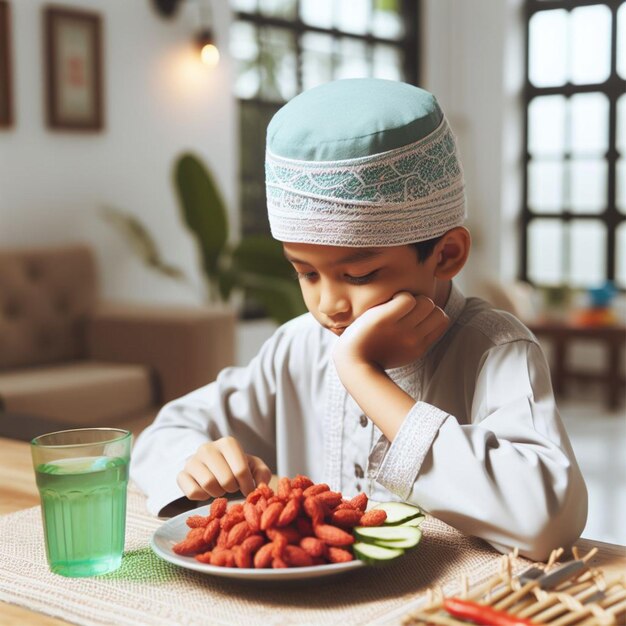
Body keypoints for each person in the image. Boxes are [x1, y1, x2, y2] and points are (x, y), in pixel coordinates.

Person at [131, 78, 587, 560]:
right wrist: (199, 463)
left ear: (446, 254)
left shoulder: (496, 350)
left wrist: (361, 373)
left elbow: (549, 519)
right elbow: (160, 437)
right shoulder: (299, 346)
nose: (329, 304)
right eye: (306, 273)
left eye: (359, 273)